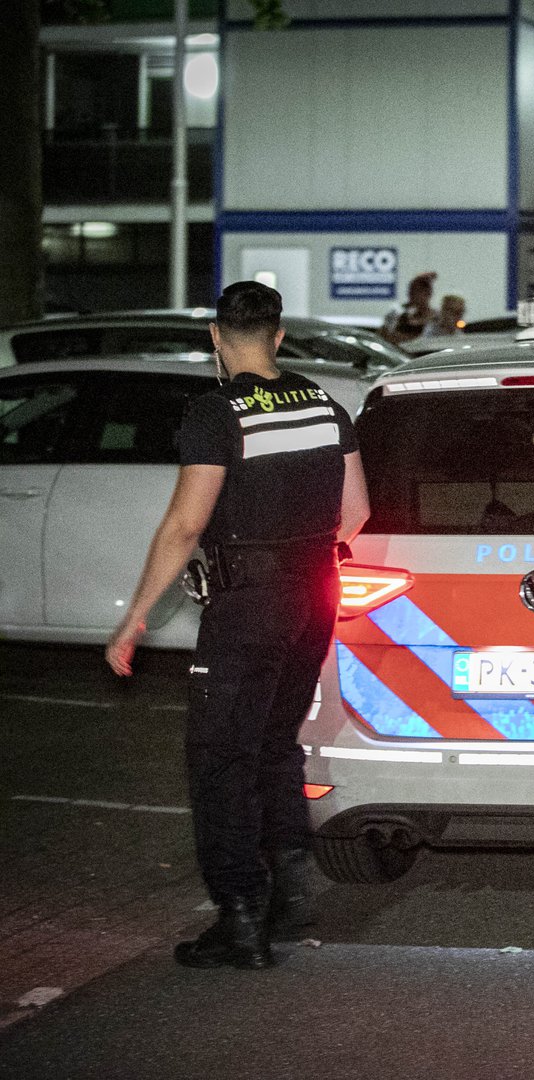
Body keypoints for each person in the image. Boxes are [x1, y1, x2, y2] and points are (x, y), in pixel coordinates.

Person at [106, 281, 370, 969]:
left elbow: (187, 523)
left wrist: (135, 617)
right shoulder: (322, 403)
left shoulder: (216, 411)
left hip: (248, 601)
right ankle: (290, 896)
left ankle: (241, 918)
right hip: (317, 593)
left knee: (221, 757)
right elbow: (358, 512)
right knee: (277, 744)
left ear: (217, 339)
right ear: (279, 338)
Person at [381, 271, 438, 345]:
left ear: (429, 293)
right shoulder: (397, 313)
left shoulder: (436, 317)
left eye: (418, 291)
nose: (413, 295)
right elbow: (385, 336)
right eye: (411, 291)